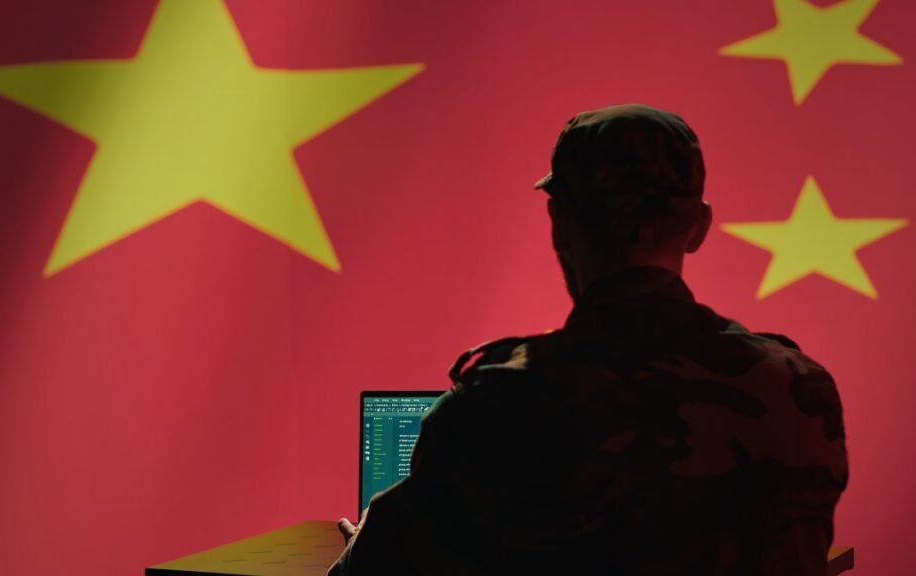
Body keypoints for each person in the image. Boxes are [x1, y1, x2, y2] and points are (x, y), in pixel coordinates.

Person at [327, 104, 848, 576]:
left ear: (558, 222)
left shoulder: (495, 408)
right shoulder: (800, 391)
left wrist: (376, 536)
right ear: (698, 227)